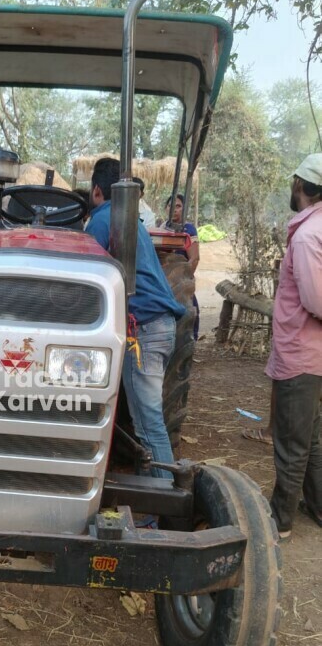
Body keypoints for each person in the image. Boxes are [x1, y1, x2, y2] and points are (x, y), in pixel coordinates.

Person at [86, 158, 185, 478]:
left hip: (144, 329)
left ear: (97, 190)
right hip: (160, 324)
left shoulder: (101, 222)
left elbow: (89, 283)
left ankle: (164, 499)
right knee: (146, 420)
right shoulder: (130, 220)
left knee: (148, 422)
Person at [265, 153, 322, 540]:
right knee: (313, 437)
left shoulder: (306, 236)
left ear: (300, 185)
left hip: (300, 356)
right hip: (312, 355)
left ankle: (280, 521)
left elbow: (315, 300)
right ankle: (317, 507)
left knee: (291, 441)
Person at [165, 192, 200, 338]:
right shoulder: (162, 227)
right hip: (165, 280)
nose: (174, 209)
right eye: (170, 206)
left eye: (178, 206)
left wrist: (184, 281)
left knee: (189, 311)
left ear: (184, 209)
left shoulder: (188, 230)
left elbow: (195, 258)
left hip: (180, 281)